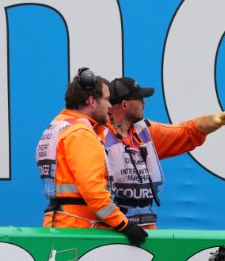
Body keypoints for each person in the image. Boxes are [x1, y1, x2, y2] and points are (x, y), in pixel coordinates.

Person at [103, 76, 225, 228]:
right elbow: (93, 192)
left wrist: (212, 121)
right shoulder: (98, 136)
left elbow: (185, 133)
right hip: (112, 230)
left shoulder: (146, 132)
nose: (144, 103)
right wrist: (121, 225)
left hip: (145, 228)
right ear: (125, 104)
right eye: (139, 99)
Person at [36, 67, 147, 246]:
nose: (110, 106)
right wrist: (123, 224)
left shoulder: (58, 126)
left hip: (62, 223)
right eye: (106, 99)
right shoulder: (81, 134)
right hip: (80, 229)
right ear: (92, 101)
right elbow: (93, 191)